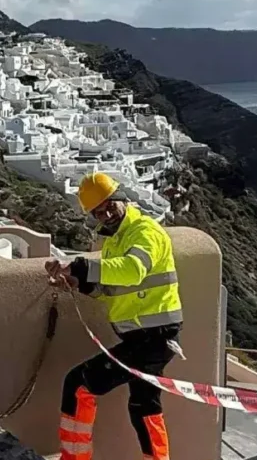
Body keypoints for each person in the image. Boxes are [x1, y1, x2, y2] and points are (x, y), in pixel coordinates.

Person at [45, 172, 183, 460]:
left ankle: (74, 458)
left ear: (122, 198)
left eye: (109, 205)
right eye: (98, 211)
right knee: (144, 405)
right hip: (148, 338)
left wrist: (80, 266)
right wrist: (77, 283)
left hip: (153, 338)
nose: (106, 214)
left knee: (78, 384)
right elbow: (109, 287)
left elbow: (132, 271)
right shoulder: (115, 242)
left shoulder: (145, 231)